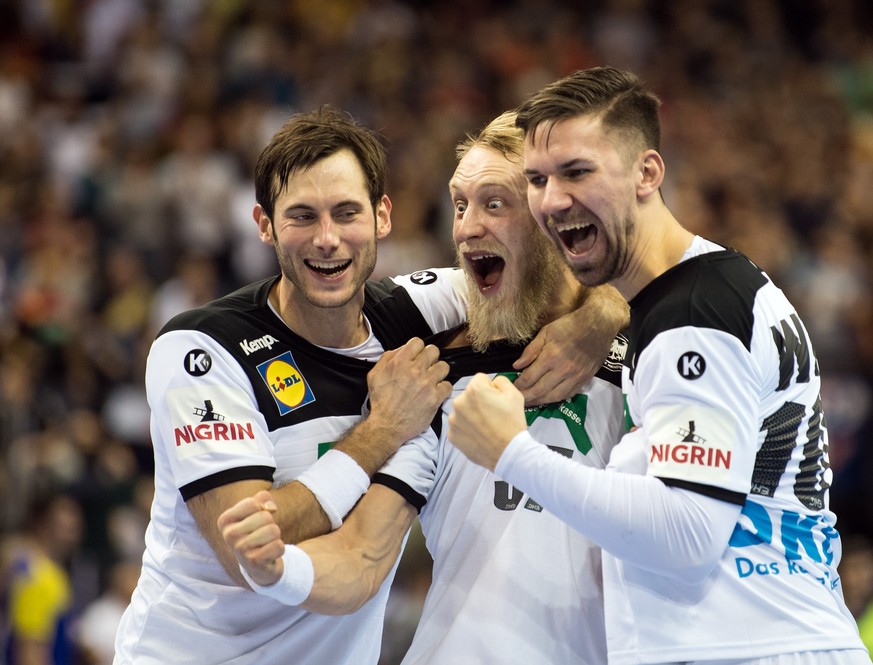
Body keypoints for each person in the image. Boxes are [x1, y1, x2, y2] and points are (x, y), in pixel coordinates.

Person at [114, 106, 622, 664]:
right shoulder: (202, 349)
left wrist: (600, 316)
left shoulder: (416, 313)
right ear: (264, 225)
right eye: (302, 216)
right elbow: (249, 547)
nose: (327, 239)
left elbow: (545, 278)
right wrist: (381, 430)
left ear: (382, 216)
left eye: (346, 212)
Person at [446, 66, 871, 664]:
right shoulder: (702, 290)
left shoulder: (691, 317)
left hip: (749, 648)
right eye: (537, 179)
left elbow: (687, 534)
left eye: (577, 172)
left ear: (648, 173)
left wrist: (511, 453)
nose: (552, 200)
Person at [1, 493, 84, 665]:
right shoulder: (39, 577)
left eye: (74, 529)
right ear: (42, 525)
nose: (70, 537)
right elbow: (29, 649)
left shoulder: (51, 573)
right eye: (63, 528)